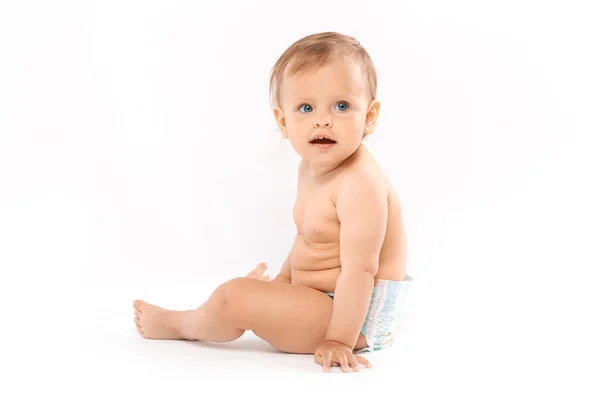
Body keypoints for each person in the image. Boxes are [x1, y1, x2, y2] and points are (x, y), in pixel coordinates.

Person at [132, 31, 413, 373]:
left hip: (358, 318)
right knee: (248, 294)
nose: (322, 120)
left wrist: (339, 339)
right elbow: (307, 237)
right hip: (325, 301)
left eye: (341, 106)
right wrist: (282, 283)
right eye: (306, 108)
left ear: (368, 117)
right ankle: (226, 310)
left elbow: (360, 272)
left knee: (233, 297)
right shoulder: (311, 167)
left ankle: (181, 325)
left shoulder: (361, 184)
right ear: (284, 122)